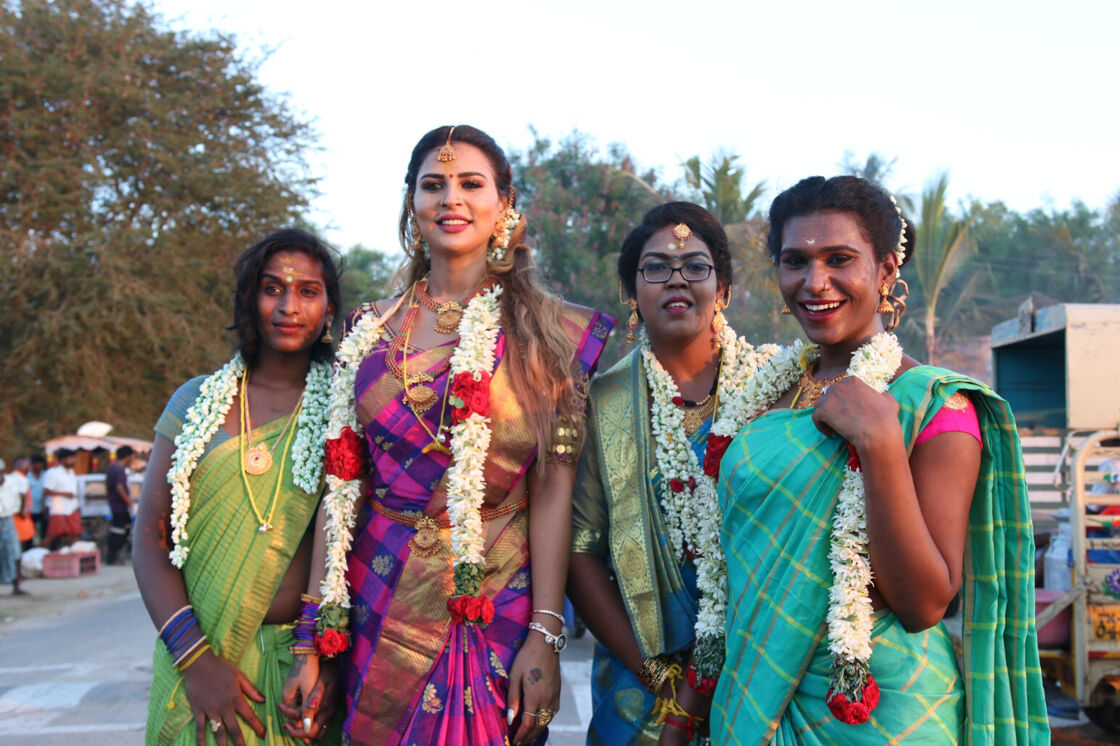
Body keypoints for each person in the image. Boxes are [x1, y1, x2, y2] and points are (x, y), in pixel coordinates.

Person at [284, 125, 614, 746]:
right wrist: (313, 637)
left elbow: (552, 491)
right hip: (378, 594)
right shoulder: (368, 328)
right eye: (432, 185)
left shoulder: (554, 334)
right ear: (411, 203)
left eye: (470, 183)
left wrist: (545, 633)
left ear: (504, 203)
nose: (450, 199)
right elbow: (341, 485)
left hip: (497, 596)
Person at [711, 176, 1049, 744]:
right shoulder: (764, 399)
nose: (815, 282)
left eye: (840, 259)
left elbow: (922, 603)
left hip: (882, 711)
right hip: (754, 694)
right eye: (795, 261)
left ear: (887, 269)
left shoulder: (934, 402)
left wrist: (881, 442)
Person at [569, 202, 771, 745]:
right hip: (642, 682)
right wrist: (655, 673)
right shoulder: (601, 402)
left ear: (722, 287)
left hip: (758, 665)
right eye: (656, 267)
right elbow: (581, 550)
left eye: (696, 267)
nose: (676, 279)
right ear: (631, 293)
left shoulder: (775, 391)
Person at [134, 228, 341, 745]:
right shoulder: (196, 401)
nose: (288, 306)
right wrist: (198, 664)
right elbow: (149, 543)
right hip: (201, 667)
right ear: (249, 298)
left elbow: (355, 547)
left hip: (305, 672)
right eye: (272, 288)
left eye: (308, 292)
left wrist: (330, 661)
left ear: (330, 308)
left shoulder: (348, 406)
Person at [0, 457, 30, 595]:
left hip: (8, 519)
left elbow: (21, 495)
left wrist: (22, 510)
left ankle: (16, 585)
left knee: (15, 551)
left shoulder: (12, 482)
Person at [43, 448, 80, 549]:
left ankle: (72, 555)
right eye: (71, 458)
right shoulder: (53, 473)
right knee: (53, 534)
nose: (74, 461)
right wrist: (65, 494)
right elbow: (46, 491)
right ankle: (39, 552)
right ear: (63, 460)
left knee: (75, 533)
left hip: (71, 508)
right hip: (58, 509)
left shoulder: (71, 472)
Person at [106, 445, 135, 565]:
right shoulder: (119, 469)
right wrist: (128, 501)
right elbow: (119, 487)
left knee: (123, 528)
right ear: (128, 456)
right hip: (120, 506)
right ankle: (113, 556)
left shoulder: (112, 468)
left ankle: (113, 555)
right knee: (119, 531)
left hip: (114, 504)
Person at [27, 454, 47, 546]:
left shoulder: (46, 475)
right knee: (30, 531)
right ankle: (29, 549)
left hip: (43, 509)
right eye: (35, 464)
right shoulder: (27, 476)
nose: (38, 466)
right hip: (31, 509)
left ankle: (43, 548)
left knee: (44, 530)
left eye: (40, 464)